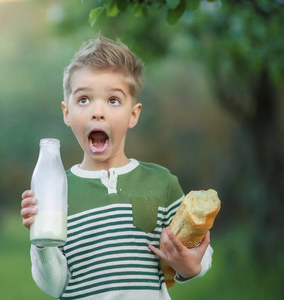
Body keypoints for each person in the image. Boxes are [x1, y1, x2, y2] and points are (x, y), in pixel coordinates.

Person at [20, 36, 213, 300]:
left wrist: (190, 266)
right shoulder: (57, 191)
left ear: (133, 114)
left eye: (113, 100)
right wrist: (41, 240)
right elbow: (54, 286)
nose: (97, 112)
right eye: (84, 99)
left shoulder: (161, 182)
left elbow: (197, 251)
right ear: (67, 113)